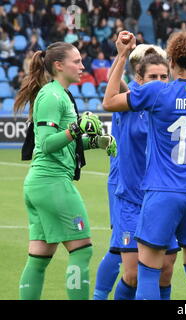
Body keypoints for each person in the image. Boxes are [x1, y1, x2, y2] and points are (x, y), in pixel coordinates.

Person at [102, 31, 186, 300]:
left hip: (163, 192)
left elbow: (109, 101)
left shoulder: (158, 92)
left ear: (171, 61)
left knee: (148, 273)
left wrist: (121, 54)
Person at [14, 42, 116, 300]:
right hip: (52, 183)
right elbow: (47, 144)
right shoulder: (52, 95)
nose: (83, 66)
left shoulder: (59, 94)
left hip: (41, 184)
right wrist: (76, 128)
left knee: (39, 258)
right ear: (59, 65)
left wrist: (95, 141)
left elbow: (67, 144)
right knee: (82, 250)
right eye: (77, 61)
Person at [93, 44, 169, 301]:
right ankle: (99, 296)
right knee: (128, 263)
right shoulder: (131, 97)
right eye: (152, 77)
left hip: (160, 195)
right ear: (139, 77)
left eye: (163, 76)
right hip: (127, 189)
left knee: (162, 270)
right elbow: (116, 87)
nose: (159, 82)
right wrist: (121, 54)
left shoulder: (169, 103)